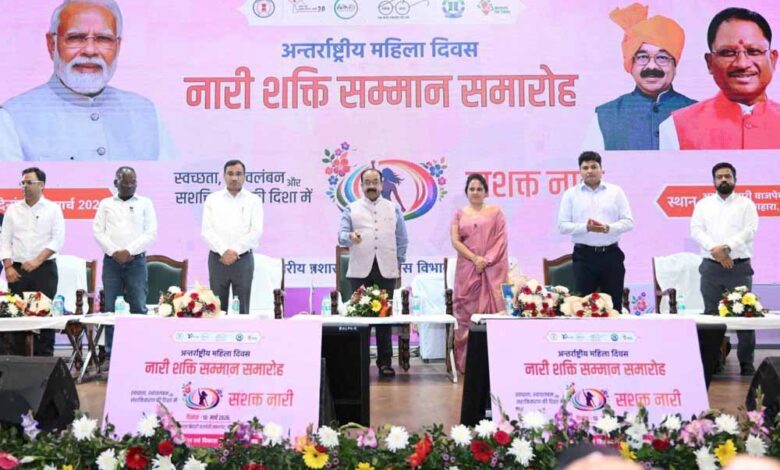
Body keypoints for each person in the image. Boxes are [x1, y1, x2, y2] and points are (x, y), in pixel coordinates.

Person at [0, 0, 174, 161]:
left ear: (118, 47)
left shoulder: (145, 113)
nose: (90, 51)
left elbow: (168, 181)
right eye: (76, 37)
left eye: (103, 39)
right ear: (52, 45)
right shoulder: (12, 118)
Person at [660, 7, 780, 149]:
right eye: (728, 52)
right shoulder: (675, 127)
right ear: (710, 62)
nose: (742, 64)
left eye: (754, 51)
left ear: (772, 59)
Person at [583, 3, 695, 150]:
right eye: (643, 57)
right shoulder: (606, 115)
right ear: (632, 64)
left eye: (662, 58)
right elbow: (590, 164)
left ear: (675, 65)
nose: (652, 66)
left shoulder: (698, 113)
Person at [338, 168, 409, 377]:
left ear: (381, 184)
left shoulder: (393, 208)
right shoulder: (351, 208)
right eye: (367, 182)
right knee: (361, 319)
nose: (371, 186)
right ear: (361, 185)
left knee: (383, 318)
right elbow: (341, 236)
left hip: (386, 268)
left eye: (375, 182)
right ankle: (359, 361)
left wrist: (399, 262)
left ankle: (385, 363)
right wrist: (350, 237)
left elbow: (402, 238)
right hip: (360, 270)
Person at [691, 162, 758, 376]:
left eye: (727, 176)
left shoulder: (746, 204)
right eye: (719, 177)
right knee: (711, 317)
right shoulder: (703, 205)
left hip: (738, 267)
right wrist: (716, 251)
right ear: (713, 181)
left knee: (745, 315)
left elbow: (750, 230)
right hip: (711, 267)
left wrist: (727, 248)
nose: (723, 180)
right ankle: (712, 362)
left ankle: (746, 363)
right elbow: (696, 231)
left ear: (735, 179)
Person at [92, 166, 157, 361]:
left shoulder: (145, 203)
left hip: (136, 261)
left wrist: (129, 251)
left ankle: (139, 354)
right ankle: (111, 356)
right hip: (111, 262)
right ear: (116, 183)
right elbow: (98, 231)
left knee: (138, 306)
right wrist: (114, 251)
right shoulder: (105, 203)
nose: (129, 186)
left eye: (133, 182)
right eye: (125, 182)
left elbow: (150, 232)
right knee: (111, 309)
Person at [1, 168, 65, 356]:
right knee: (16, 318)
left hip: (44, 270)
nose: (25, 186)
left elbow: (57, 240)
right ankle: (18, 362)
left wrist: (37, 260)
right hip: (18, 271)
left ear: (41, 185)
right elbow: (4, 240)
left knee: (43, 319)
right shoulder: (13, 210)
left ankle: (45, 362)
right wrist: (8, 266)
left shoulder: (53, 209)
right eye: (23, 183)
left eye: (29, 182)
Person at [557, 152, 634, 309]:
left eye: (594, 167)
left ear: (601, 169)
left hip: (611, 256)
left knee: (613, 306)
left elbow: (628, 222)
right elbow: (562, 226)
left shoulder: (615, 192)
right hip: (583, 258)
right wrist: (586, 227)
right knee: (582, 306)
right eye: (585, 168)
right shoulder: (571, 194)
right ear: (580, 171)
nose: (590, 171)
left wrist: (608, 228)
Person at [450, 174, 508, 374]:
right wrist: (475, 259)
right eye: (472, 189)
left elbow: (501, 240)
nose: (475, 192)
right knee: (466, 315)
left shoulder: (496, 212)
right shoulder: (459, 214)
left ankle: (495, 364)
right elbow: (455, 240)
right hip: (467, 269)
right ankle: (467, 363)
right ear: (466, 192)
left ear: (486, 192)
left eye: (479, 189)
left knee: (494, 315)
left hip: (493, 270)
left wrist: (486, 260)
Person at [201, 159, 263, 313]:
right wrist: (224, 251)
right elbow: (207, 230)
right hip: (218, 259)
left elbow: (256, 231)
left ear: (244, 176)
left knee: (242, 309)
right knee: (216, 309)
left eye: (238, 174)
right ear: (224, 176)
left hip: (243, 260)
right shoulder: (212, 199)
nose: (234, 178)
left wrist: (234, 250)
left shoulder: (254, 200)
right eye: (230, 174)